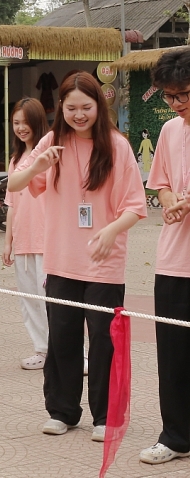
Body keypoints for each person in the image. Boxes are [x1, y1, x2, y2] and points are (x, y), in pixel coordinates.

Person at [8, 72, 146, 441]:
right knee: (63, 338)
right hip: (61, 260)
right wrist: (38, 165)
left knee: (104, 340)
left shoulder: (117, 146)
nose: (79, 115)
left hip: (104, 262)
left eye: (86, 107)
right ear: (61, 109)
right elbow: (15, 184)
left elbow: (135, 205)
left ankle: (106, 417)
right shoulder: (53, 142)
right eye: (72, 108)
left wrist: (112, 230)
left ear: (99, 107)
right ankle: (63, 411)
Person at [138, 49, 190, 465]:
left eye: (184, 93)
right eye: (170, 96)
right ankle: (175, 436)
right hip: (175, 260)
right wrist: (173, 202)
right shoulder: (171, 131)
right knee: (172, 354)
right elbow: (162, 184)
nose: (176, 103)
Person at [1, 98, 51, 370]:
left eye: (25, 122)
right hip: (23, 241)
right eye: (16, 123)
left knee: (53, 302)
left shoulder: (49, 156)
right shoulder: (16, 160)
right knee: (29, 299)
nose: (21, 128)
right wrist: (8, 242)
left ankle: (72, 352)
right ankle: (41, 350)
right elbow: (12, 205)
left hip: (47, 240)